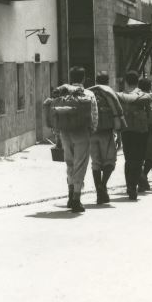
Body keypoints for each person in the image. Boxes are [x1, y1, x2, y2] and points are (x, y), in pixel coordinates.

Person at [51, 66, 98, 213]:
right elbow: (94, 115)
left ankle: (70, 194)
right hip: (82, 133)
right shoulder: (88, 94)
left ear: (71, 78)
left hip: (65, 133)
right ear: (83, 78)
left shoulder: (62, 93)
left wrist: (58, 134)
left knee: (70, 163)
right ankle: (77, 198)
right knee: (80, 165)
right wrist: (92, 130)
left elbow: (55, 115)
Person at [87, 71, 126, 204]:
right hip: (106, 133)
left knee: (95, 163)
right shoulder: (110, 94)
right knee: (110, 161)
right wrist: (119, 135)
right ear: (108, 81)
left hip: (92, 133)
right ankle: (102, 186)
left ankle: (99, 194)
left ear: (96, 80)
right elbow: (118, 115)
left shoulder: (90, 93)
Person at [116, 70, 152, 201]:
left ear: (126, 82)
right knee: (138, 160)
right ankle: (134, 186)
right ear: (137, 82)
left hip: (126, 131)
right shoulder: (145, 96)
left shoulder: (120, 96)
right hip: (142, 132)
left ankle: (129, 186)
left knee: (128, 160)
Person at [138, 77, 152, 191]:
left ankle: (143, 182)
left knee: (141, 156)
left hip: (137, 131)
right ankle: (144, 177)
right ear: (150, 87)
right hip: (151, 130)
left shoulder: (136, 98)